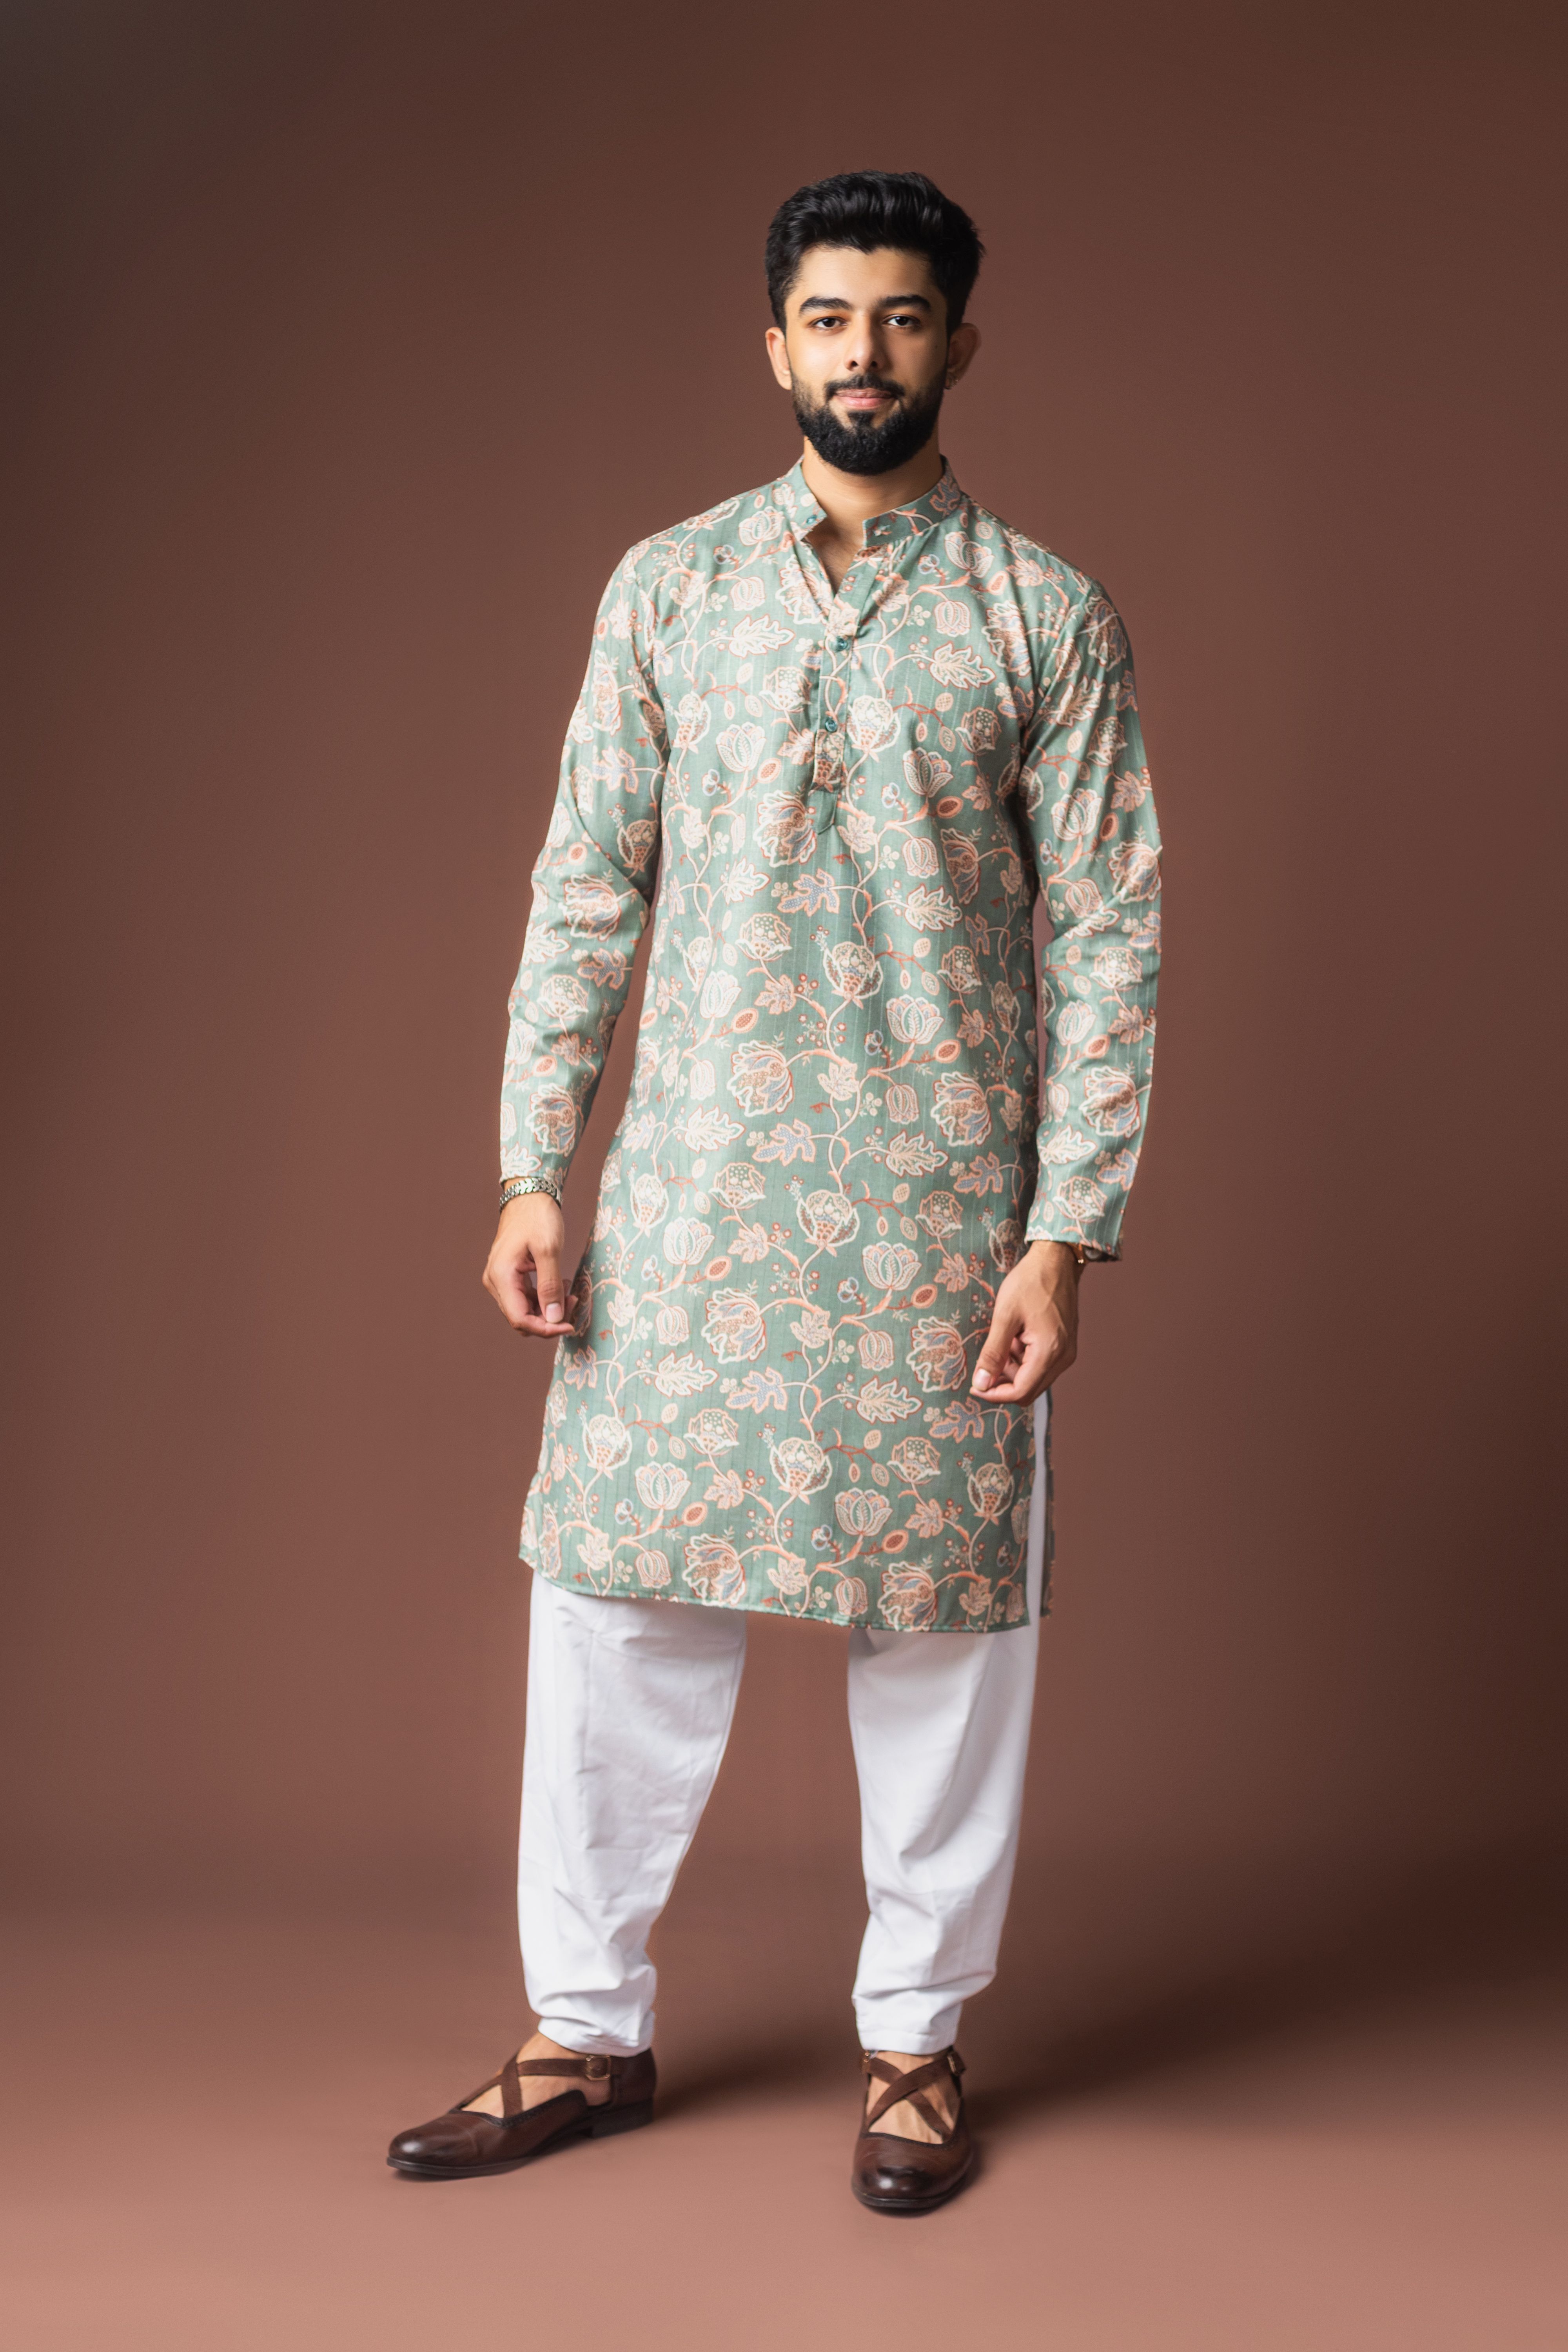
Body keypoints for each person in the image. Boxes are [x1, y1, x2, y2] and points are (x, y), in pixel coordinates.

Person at [388, 169, 1161, 2214]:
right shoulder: (668, 591)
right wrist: (530, 1169)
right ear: (775, 346)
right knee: (613, 1611)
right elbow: (587, 884)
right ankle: (583, 2029)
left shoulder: (1044, 616)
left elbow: (1109, 937)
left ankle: (916, 2046)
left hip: (942, 1222)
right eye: (829, 316)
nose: (863, 352)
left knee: (945, 1642)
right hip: (691, 1207)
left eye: (902, 317)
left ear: (958, 344)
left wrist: (1064, 1231)